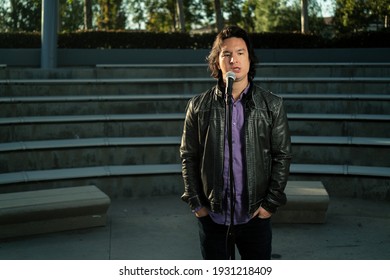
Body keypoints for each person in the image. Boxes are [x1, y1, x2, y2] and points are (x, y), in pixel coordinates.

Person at [180, 25, 292, 260]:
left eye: (241, 53)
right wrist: (197, 205)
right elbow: (188, 156)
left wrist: (269, 205)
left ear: (250, 59)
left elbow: (282, 156)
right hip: (213, 216)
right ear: (216, 62)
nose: (234, 60)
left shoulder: (272, 105)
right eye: (226, 54)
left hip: (254, 216)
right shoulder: (198, 106)